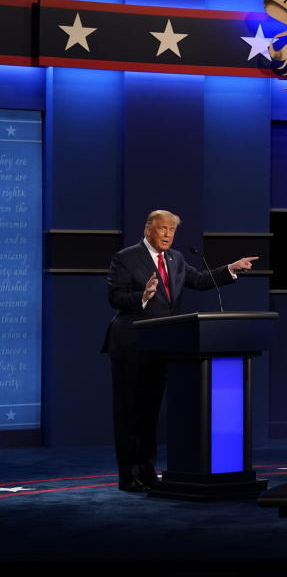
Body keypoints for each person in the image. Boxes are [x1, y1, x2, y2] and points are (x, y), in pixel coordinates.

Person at [101, 209, 259, 492]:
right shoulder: (125, 258)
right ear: (148, 228)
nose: (167, 235)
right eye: (162, 229)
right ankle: (129, 476)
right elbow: (115, 298)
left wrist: (230, 270)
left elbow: (198, 280)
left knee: (150, 416)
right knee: (130, 415)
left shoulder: (176, 259)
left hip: (161, 346)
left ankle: (148, 473)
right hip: (130, 346)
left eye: (171, 231)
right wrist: (143, 297)